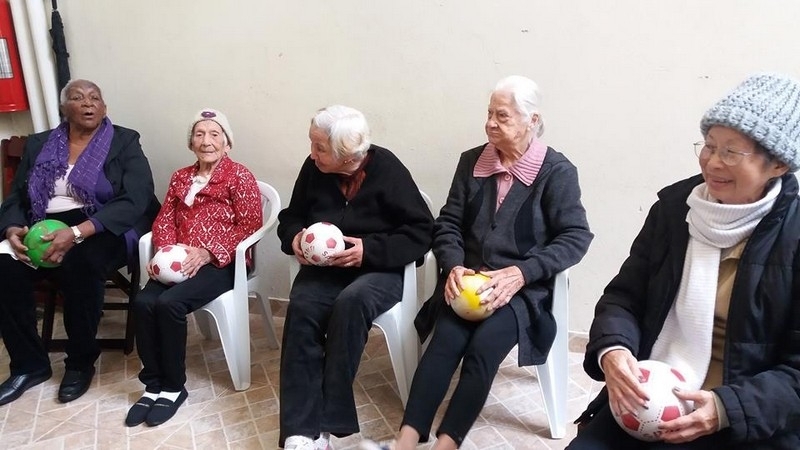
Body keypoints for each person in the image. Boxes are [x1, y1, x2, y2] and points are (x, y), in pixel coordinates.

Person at [568, 73, 800, 449]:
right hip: (650, 398)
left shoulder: (793, 237)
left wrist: (726, 408)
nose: (712, 162)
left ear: (778, 166)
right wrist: (613, 349)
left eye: (731, 152)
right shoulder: (675, 210)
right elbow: (623, 298)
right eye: (708, 146)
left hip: (746, 420)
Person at [361, 75, 593, 450]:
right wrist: (453, 264)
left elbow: (575, 237)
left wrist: (521, 273)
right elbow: (448, 222)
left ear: (532, 120)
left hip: (520, 292)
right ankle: (404, 442)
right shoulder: (472, 161)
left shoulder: (556, 171)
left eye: (502, 115)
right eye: (489, 113)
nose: (490, 123)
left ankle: (446, 445)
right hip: (466, 281)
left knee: (483, 348)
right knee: (444, 344)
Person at [277, 105, 434, 450]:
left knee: (351, 303)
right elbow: (290, 216)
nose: (312, 154)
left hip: (379, 271)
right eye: (312, 144)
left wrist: (369, 250)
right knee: (301, 307)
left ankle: (337, 428)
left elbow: (422, 232)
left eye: (319, 148)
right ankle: (299, 432)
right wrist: (294, 239)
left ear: (347, 156)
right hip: (325, 270)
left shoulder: (387, 169)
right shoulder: (313, 169)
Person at [0, 79, 160, 405]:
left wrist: (78, 232)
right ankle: (29, 365)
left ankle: (80, 361)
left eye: (95, 98)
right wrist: (13, 228)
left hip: (104, 224)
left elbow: (137, 197)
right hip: (42, 224)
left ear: (104, 107)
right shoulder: (40, 144)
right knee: (4, 267)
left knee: (81, 264)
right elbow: (17, 195)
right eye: (78, 98)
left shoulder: (124, 141)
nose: (88, 104)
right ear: (64, 108)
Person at [124, 109, 263, 427]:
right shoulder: (180, 176)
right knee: (144, 302)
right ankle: (153, 383)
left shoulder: (239, 176)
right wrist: (166, 253)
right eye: (199, 134)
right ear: (191, 143)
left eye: (215, 134)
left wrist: (207, 252)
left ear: (227, 143)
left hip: (220, 263)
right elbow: (164, 219)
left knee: (170, 305)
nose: (207, 141)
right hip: (178, 263)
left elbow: (250, 225)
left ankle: (173, 387)